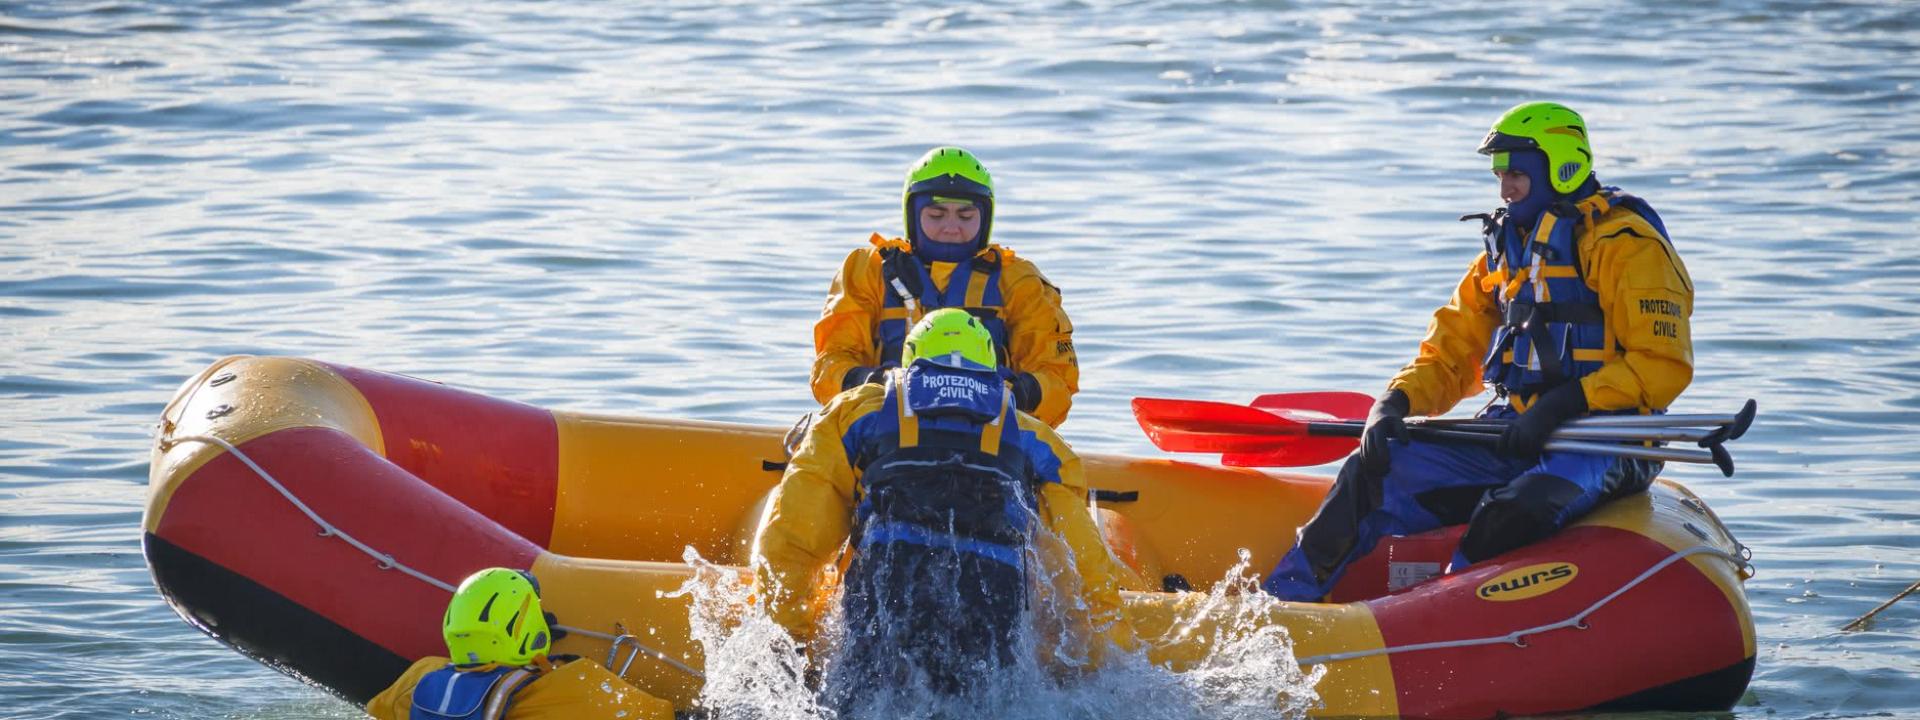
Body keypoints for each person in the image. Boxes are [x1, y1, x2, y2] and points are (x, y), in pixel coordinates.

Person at [1263, 102, 1695, 601]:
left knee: (1518, 507)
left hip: (1605, 439)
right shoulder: (1505, 250)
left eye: (1515, 173)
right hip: (1512, 427)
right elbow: (1452, 350)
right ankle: (1282, 603)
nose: (1504, 188)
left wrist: (1564, 404)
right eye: (1499, 175)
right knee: (1373, 469)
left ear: (1560, 165)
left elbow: (1661, 365)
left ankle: (1438, 614)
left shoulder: (1627, 244)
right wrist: (1397, 401)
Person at [757, 308, 1131, 703]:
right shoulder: (1034, 436)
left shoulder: (856, 411)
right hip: (991, 600)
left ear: (910, 358)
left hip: (891, 587)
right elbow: (1085, 566)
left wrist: (793, 641)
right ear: (990, 364)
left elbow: (795, 537)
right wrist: (1101, 666)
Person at [810, 147, 1080, 427]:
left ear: (985, 217)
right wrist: (876, 384)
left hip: (992, 437)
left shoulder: (1018, 280)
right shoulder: (868, 270)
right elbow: (831, 362)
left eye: (965, 216)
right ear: (912, 215)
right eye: (936, 215)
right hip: (884, 428)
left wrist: (1015, 393)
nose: (951, 228)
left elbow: (1057, 377)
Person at [366, 568, 673, 720]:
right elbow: (661, 714)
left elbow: (378, 708)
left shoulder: (419, 677)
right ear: (533, 629)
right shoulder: (577, 687)